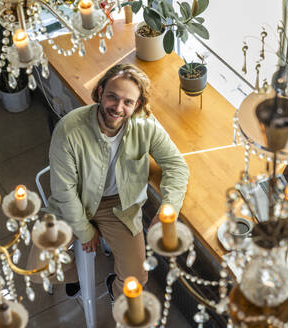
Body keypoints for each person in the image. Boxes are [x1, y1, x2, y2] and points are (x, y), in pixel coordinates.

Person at [39, 64, 189, 300]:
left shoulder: (146, 126)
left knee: (137, 278)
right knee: (39, 266)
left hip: (119, 204)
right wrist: (85, 232)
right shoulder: (68, 129)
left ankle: (113, 287)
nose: (118, 108)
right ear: (100, 92)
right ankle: (74, 275)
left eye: (128, 102)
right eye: (112, 97)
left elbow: (176, 166)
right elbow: (63, 190)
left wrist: (168, 208)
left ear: (137, 105)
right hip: (76, 199)